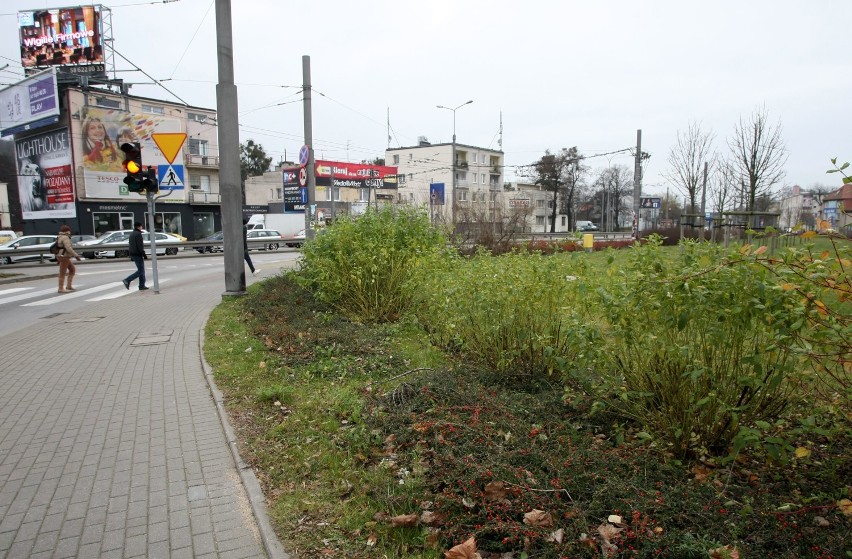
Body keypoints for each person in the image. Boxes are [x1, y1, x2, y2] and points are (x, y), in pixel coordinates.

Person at [122, 222, 149, 291]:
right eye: (141, 226)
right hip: (137, 254)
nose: (142, 227)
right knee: (141, 271)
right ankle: (127, 280)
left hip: (133, 254)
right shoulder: (138, 234)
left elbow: (131, 245)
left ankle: (141, 285)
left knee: (141, 270)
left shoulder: (132, 234)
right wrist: (144, 254)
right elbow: (140, 246)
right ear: (139, 227)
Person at [56, 224, 81, 293]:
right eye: (69, 230)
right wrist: (76, 255)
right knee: (62, 273)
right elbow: (68, 248)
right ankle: (60, 288)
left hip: (62, 256)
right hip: (64, 257)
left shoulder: (59, 236)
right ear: (67, 231)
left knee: (72, 270)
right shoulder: (65, 237)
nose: (70, 232)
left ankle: (68, 286)